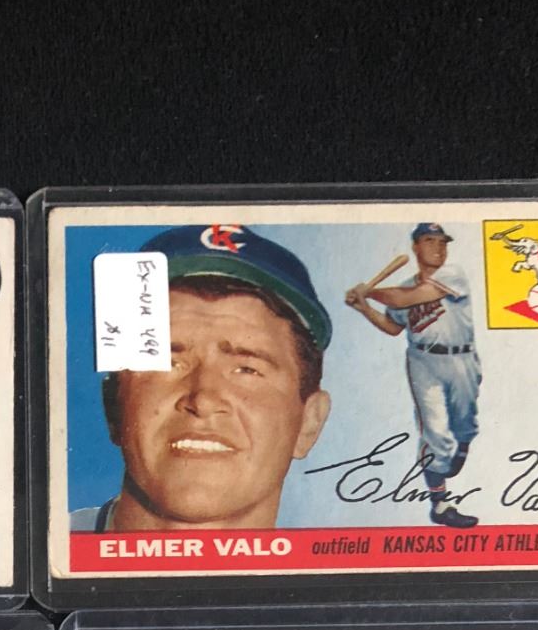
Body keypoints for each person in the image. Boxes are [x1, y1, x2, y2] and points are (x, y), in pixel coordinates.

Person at [71, 224, 332, 532]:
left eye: (246, 369)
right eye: (168, 363)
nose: (203, 400)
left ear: (309, 423)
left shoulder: (351, 560)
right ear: (113, 405)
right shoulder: (42, 545)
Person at [345, 220, 482, 530]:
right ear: (416, 247)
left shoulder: (453, 274)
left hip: (461, 358)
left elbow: (404, 299)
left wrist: (368, 291)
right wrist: (363, 307)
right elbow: (393, 327)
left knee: (465, 425)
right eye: (430, 241)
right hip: (423, 361)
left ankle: (460, 447)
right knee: (435, 433)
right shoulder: (404, 285)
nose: (439, 247)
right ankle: (440, 504)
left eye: (442, 242)